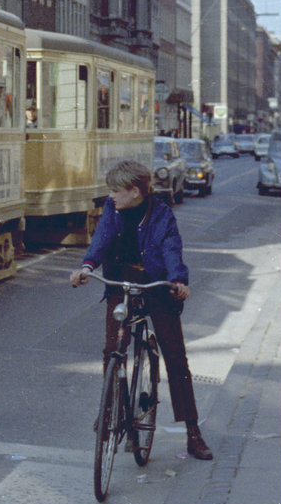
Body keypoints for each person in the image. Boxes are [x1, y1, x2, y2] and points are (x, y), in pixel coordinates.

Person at [69, 160, 214, 461]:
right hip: (120, 282)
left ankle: (193, 433)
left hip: (157, 285)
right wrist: (87, 266)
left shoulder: (161, 214)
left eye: (115, 191)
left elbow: (171, 248)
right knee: (113, 350)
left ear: (135, 192)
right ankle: (109, 412)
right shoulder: (113, 210)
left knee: (175, 357)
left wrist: (177, 280)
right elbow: (102, 238)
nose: (111, 196)